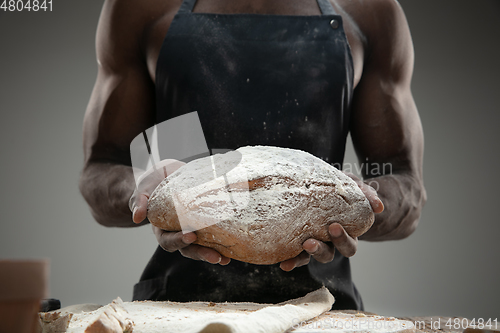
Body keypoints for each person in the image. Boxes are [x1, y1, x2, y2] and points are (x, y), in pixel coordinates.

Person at [79, 0, 426, 310]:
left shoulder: (368, 10)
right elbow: (101, 167)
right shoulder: (143, 7)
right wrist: (149, 190)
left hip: (320, 309)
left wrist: (356, 204)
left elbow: (407, 186)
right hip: (178, 308)